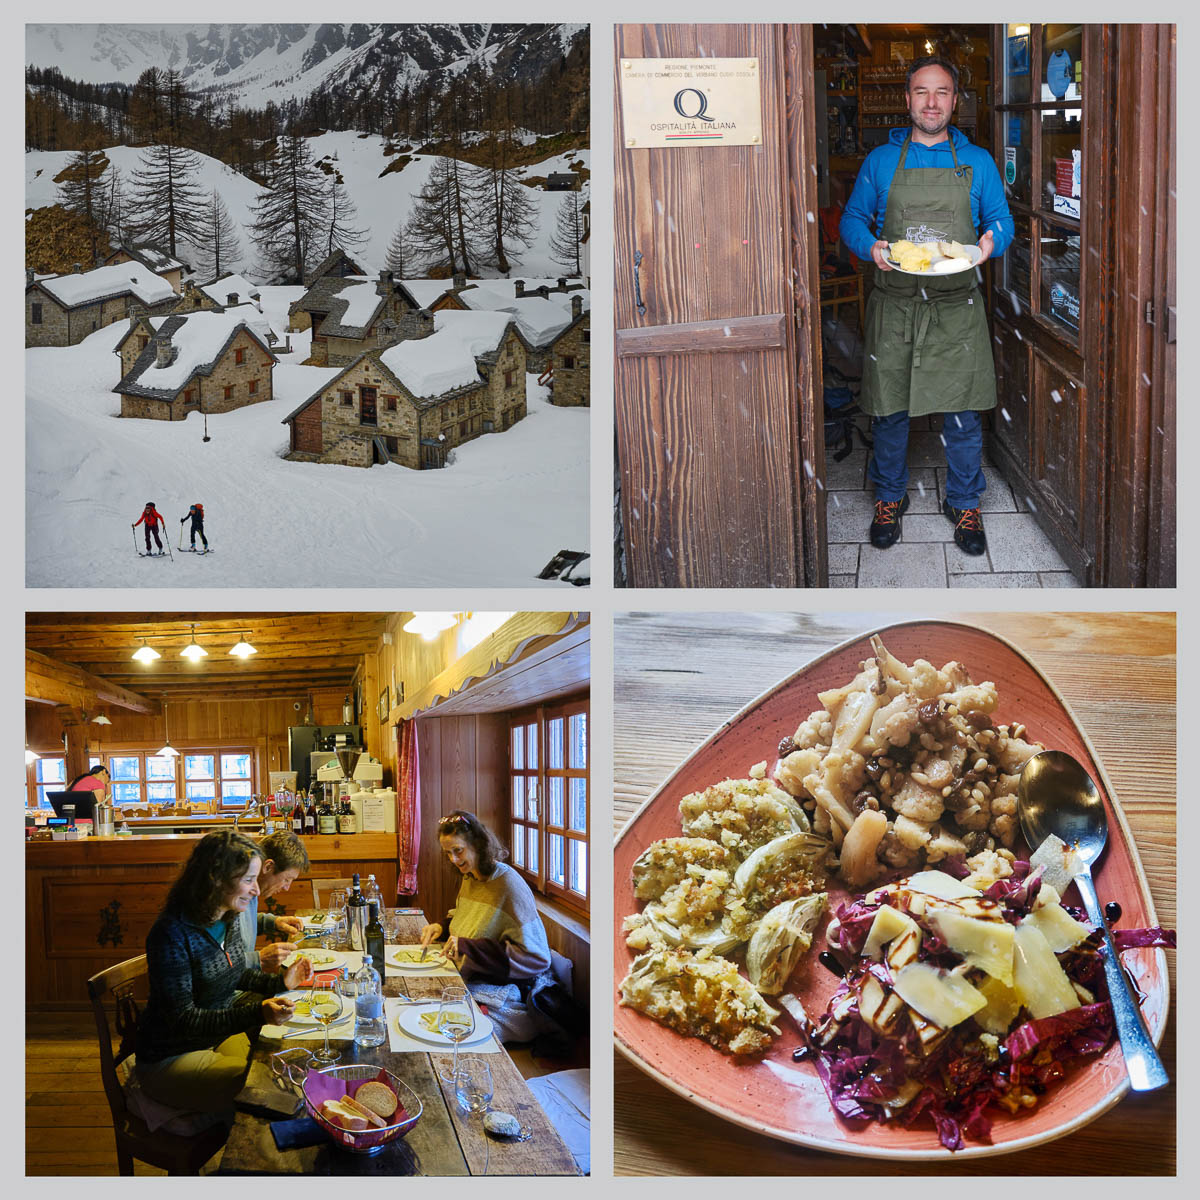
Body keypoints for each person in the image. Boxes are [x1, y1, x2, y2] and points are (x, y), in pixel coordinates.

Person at [840, 55, 1014, 556]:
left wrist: (987, 245)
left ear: (955, 100)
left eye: (941, 92)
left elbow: (1002, 222)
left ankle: (963, 501)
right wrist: (870, 247)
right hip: (895, 304)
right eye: (921, 92)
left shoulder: (977, 161)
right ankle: (890, 497)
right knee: (889, 411)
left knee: (962, 414)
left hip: (956, 305)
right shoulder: (880, 161)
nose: (932, 102)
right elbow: (852, 220)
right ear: (908, 99)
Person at [133, 831, 309, 1118]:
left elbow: (233, 972)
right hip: (171, 1055)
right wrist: (258, 1013)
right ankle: (240, 1159)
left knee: (275, 1065)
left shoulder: (228, 917)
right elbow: (184, 1019)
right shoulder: (172, 933)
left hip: (214, 1036)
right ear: (216, 879)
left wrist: (280, 982)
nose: (255, 892)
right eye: (248, 880)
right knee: (262, 1085)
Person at [419, 811, 555, 1044]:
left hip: (508, 992)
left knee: (447, 1030)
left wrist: (469, 948)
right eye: (448, 854)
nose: (453, 859)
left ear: (478, 844)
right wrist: (441, 927)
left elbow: (537, 958)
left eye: (458, 851)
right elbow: (469, 919)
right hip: (472, 978)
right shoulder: (471, 876)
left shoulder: (507, 884)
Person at [237, 830, 309, 971]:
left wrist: (274, 922)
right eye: (287, 879)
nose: (287, 888)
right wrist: (258, 958)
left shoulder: (251, 889)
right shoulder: (233, 895)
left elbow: (242, 923)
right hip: (235, 990)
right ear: (268, 867)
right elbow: (212, 965)